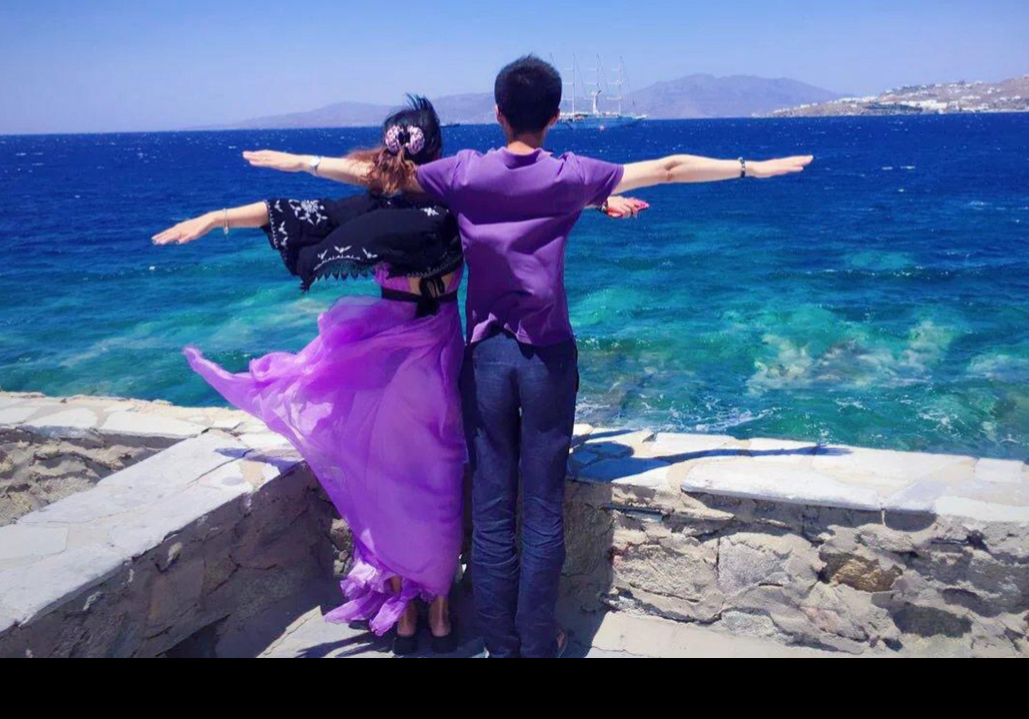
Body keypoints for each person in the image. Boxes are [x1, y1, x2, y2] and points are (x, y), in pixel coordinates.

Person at [247, 56, 813, 657]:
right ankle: (538, 643)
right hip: (547, 361)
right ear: (556, 116)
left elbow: (381, 177)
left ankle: (500, 643)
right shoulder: (570, 175)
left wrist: (300, 162)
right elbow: (670, 168)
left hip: (486, 361)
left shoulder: (465, 172)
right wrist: (752, 168)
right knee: (542, 511)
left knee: (493, 513)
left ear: (498, 114)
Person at [152, 97, 471, 655]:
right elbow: (524, 194)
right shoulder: (446, 202)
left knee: (390, 479)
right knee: (432, 480)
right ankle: (432, 614)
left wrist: (226, 212)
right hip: (423, 352)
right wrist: (224, 214)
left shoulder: (387, 204)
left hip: (397, 351)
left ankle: (410, 614)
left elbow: (291, 209)